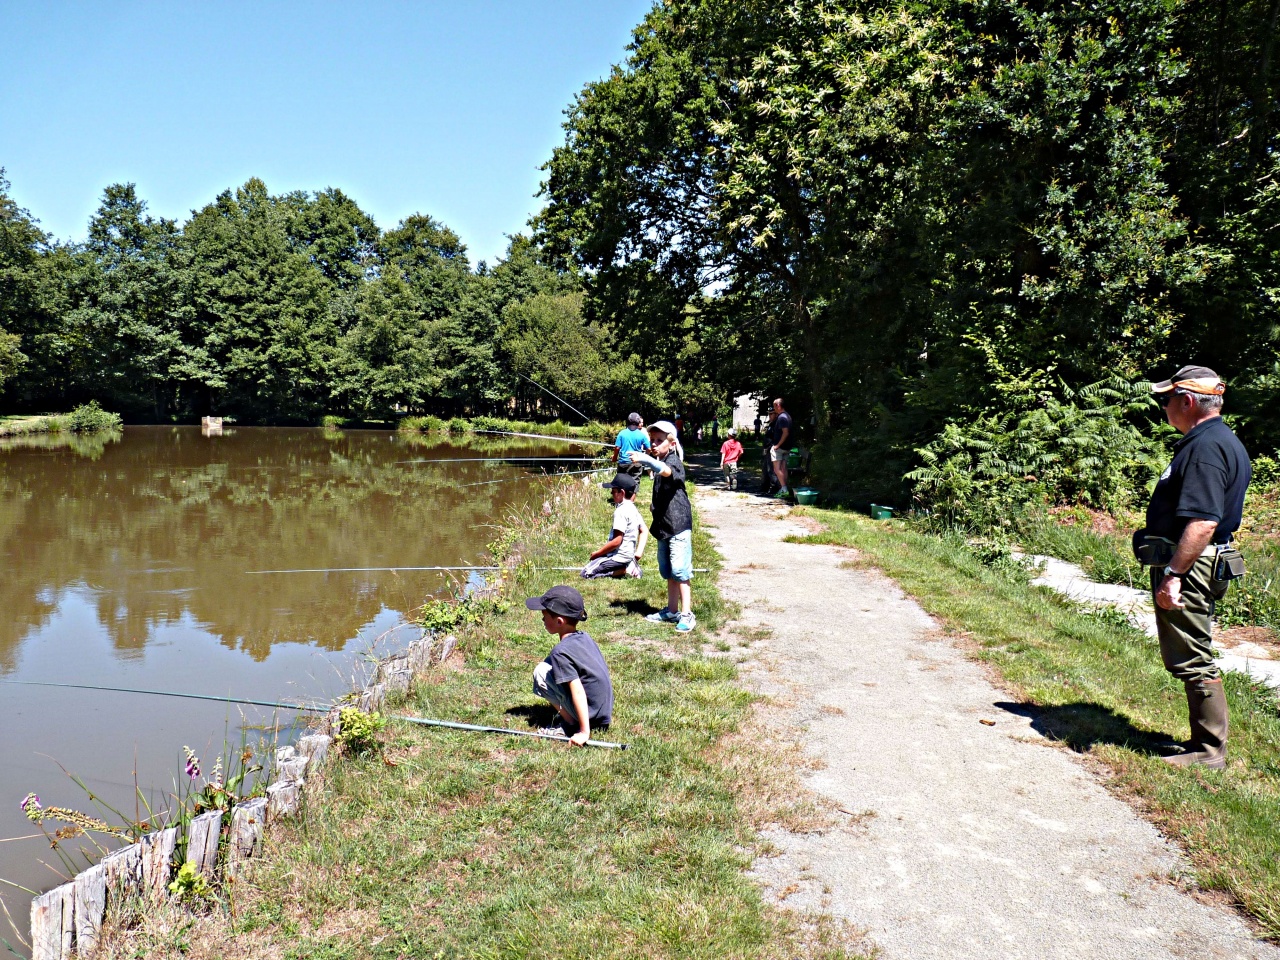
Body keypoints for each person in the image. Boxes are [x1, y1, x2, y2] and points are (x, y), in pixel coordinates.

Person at [1136, 365, 1251, 769]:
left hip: (1192, 567)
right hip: (1202, 564)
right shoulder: (1218, 440)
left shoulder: (1204, 448)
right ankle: (1205, 745)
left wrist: (1174, 575)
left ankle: (1208, 752)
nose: (1163, 407)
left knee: (1193, 656)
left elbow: (1203, 521)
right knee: (1190, 651)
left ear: (1187, 401)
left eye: (1165, 400)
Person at [628, 420, 696, 632]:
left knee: (680, 571)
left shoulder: (673, 461)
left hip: (678, 525)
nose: (654, 444)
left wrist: (646, 459)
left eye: (659, 441)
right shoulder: (662, 459)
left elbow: (666, 472)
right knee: (667, 571)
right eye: (653, 440)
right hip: (665, 526)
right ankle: (672, 610)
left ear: (672, 443)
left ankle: (687, 614)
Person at [526, 585, 614, 746]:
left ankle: (570, 724)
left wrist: (583, 732)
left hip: (592, 715)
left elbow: (578, 690)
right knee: (548, 663)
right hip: (603, 710)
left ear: (559, 621)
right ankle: (577, 718)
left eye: (544, 616)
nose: (542, 620)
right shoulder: (583, 637)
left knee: (540, 672)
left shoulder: (560, 652)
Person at [581, 472, 647, 579]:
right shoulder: (632, 508)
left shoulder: (621, 511)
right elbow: (644, 530)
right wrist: (638, 553)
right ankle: (630, 565)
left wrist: (597, 553)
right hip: (628, 556)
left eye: (613, 491)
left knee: (586, 572)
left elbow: (617, 541)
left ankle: (625, 570)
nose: (611, 493)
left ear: (621, 492)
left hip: (618, 557)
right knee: (597, 563)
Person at [767, 398, 794, 498]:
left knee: (776, 469)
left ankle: (784, 488)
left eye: (774, 406)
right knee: (783, 468)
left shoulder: (782, 417)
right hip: (786, 447)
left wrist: (777, 445)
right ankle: (784, 488)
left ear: (778, 405)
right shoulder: (787, 416)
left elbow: (785, 432)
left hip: (780, 447)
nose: (774, 409)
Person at [613, 412, 651, 477]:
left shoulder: (622, 433)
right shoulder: (642, 435)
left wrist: (614, 458)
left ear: (627, 421)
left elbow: (617, 448)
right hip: (636, 463)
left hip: (623, 463)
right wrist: (643, 458)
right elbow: (649, 449)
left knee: (622, 484)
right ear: (638, 422)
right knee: (635, 483)